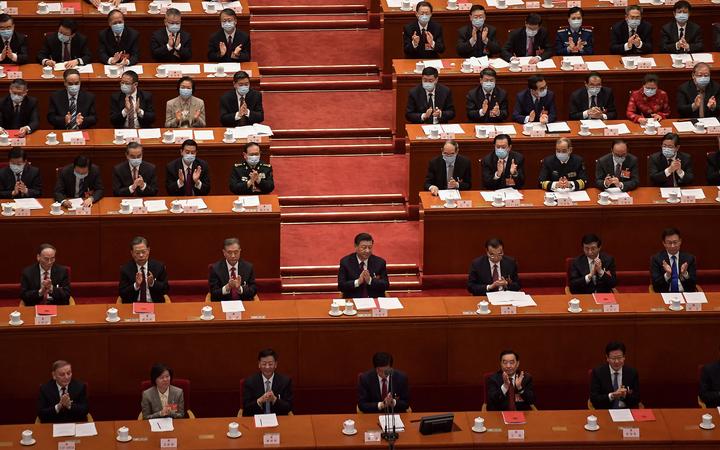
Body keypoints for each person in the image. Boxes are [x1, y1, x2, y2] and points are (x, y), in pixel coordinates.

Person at [590, 341, 640, 409]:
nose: (616, 361)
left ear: (624, 357)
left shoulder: (632, 373)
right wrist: (612, 396)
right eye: (613, 358)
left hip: (626, 411)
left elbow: (637, 398)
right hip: (606, 411)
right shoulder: (598, 373)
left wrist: (625, 395)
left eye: (619, 358)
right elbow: (594, 399)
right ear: (607, 358)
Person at [337, 232, 389, 298]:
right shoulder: (346, 262)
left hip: (374, 301)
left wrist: (370, 280)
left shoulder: (380, 262)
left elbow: (386, 285)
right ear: (356, 246)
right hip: (353, 301)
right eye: (364, 247)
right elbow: (341, 286)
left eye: (370, 247)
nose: (367, 251)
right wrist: (358, 282)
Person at [242, 349, 293, 416]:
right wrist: (259, 401)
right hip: (256, 419)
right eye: (264, 364)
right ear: (259, 364)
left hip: (279, 419)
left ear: (276, 364)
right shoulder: (250, 382)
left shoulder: (285, 381)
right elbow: (246, 408)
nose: (267, 367)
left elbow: (289, 407)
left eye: (270, 364)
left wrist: (274, 399)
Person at [118, 236, 169, 303]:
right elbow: (122, 293)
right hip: (133, 305)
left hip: (154, 304)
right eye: (137, 253)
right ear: (132, 253)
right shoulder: (125, 269)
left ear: (148, 250)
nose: (141, 255)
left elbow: (166, 289)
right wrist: (136, 285)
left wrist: (152, 283)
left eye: (143, 251)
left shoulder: (159, 267)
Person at [650, 227, 697, 293]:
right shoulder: (656, 259)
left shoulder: (689, 258)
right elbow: (655, 284)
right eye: (669, 243)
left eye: (675, 242)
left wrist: (685, 274)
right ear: (664, 243)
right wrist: (667, 275)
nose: (673, 246)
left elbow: (693, 284)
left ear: (680, 241)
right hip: (665, 294)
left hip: (685, 294)